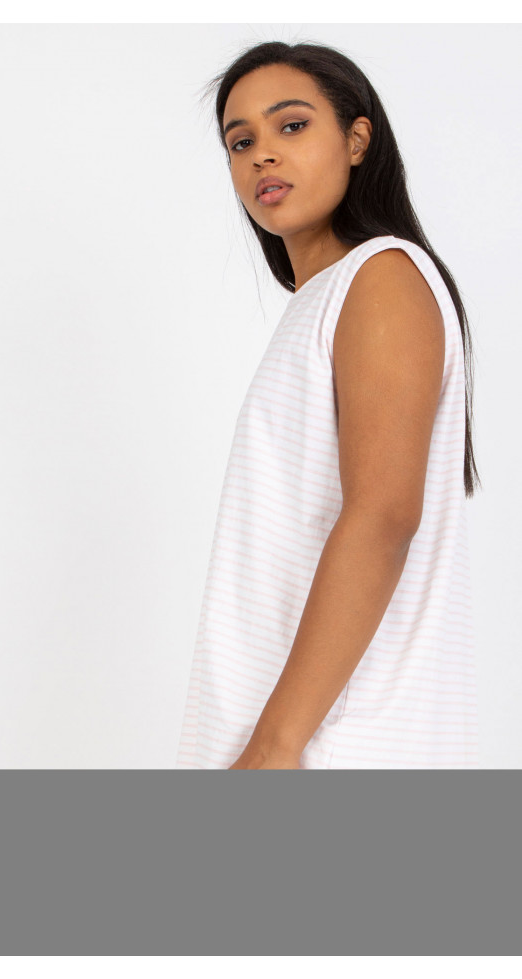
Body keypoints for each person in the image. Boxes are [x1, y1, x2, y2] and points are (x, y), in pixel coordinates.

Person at [175, 40, 482, 770]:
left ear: (356, 139)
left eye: (291, 125)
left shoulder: (381, 278)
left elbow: (383, 516)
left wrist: (275, 745)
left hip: (330, 744)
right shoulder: (325, 299)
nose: (261, 154)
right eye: (240, 141)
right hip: (288, 736)